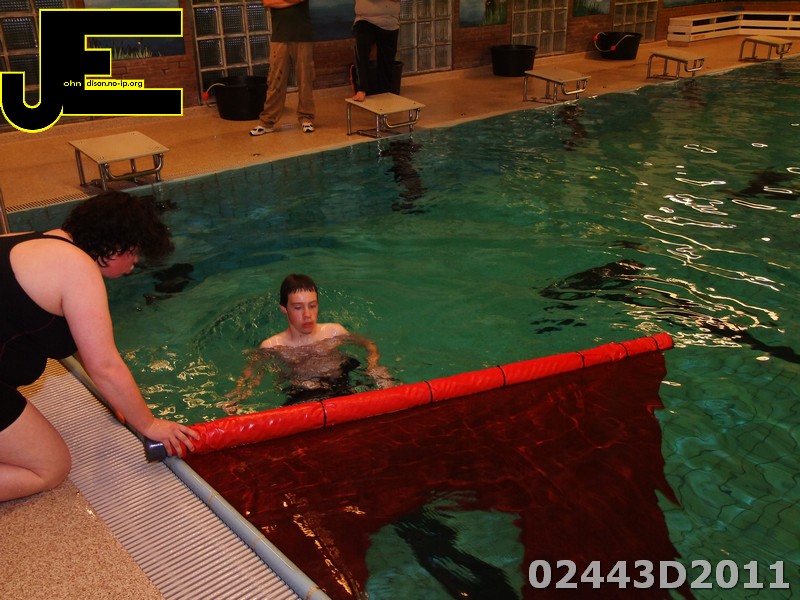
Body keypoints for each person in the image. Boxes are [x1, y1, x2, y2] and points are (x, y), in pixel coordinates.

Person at [0, 191, 200, 502]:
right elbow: (104, 365)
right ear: (116, 246)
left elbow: (83, 343)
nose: (134, 264)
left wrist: (121, 401)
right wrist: (148, 423)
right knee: (51, 467)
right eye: (134, 253)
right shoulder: (78, 268)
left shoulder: (31, 240)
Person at [222, 273, 394, 413]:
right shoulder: (272, 346)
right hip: (303, 396)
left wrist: (374, 367)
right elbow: (253, 374)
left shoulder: (334, 332)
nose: (307, 315)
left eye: (312, 306)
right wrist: (238, 396)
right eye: (298, 308)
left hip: (342, 385)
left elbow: (368, 345)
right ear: (284, 309)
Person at [250, 0, 316, 136]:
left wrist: (279, 2)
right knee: (275, 80)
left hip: (302, 35)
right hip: (279, 36)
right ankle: (267, 121)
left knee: (305, 79)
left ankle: (306, 117)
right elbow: (267, 2)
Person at [351, 0, 401, 102]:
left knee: (387, 60)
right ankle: (362, 88)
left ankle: (385, 92)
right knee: (362, 44)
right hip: (365, 19)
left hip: (389, 22)